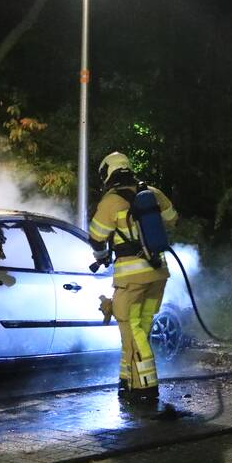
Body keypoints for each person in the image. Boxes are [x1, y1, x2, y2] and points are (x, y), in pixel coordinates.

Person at [89, 152, 178, 403]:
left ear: (108, 173)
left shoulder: (111, 201)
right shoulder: (153, 193)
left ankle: (146, 387)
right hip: (158, 273)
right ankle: (128, 382)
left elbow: (96, 236)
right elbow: (172, 220)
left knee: (132, 329)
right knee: (141, 328)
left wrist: (103, 254)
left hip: (131, 279)